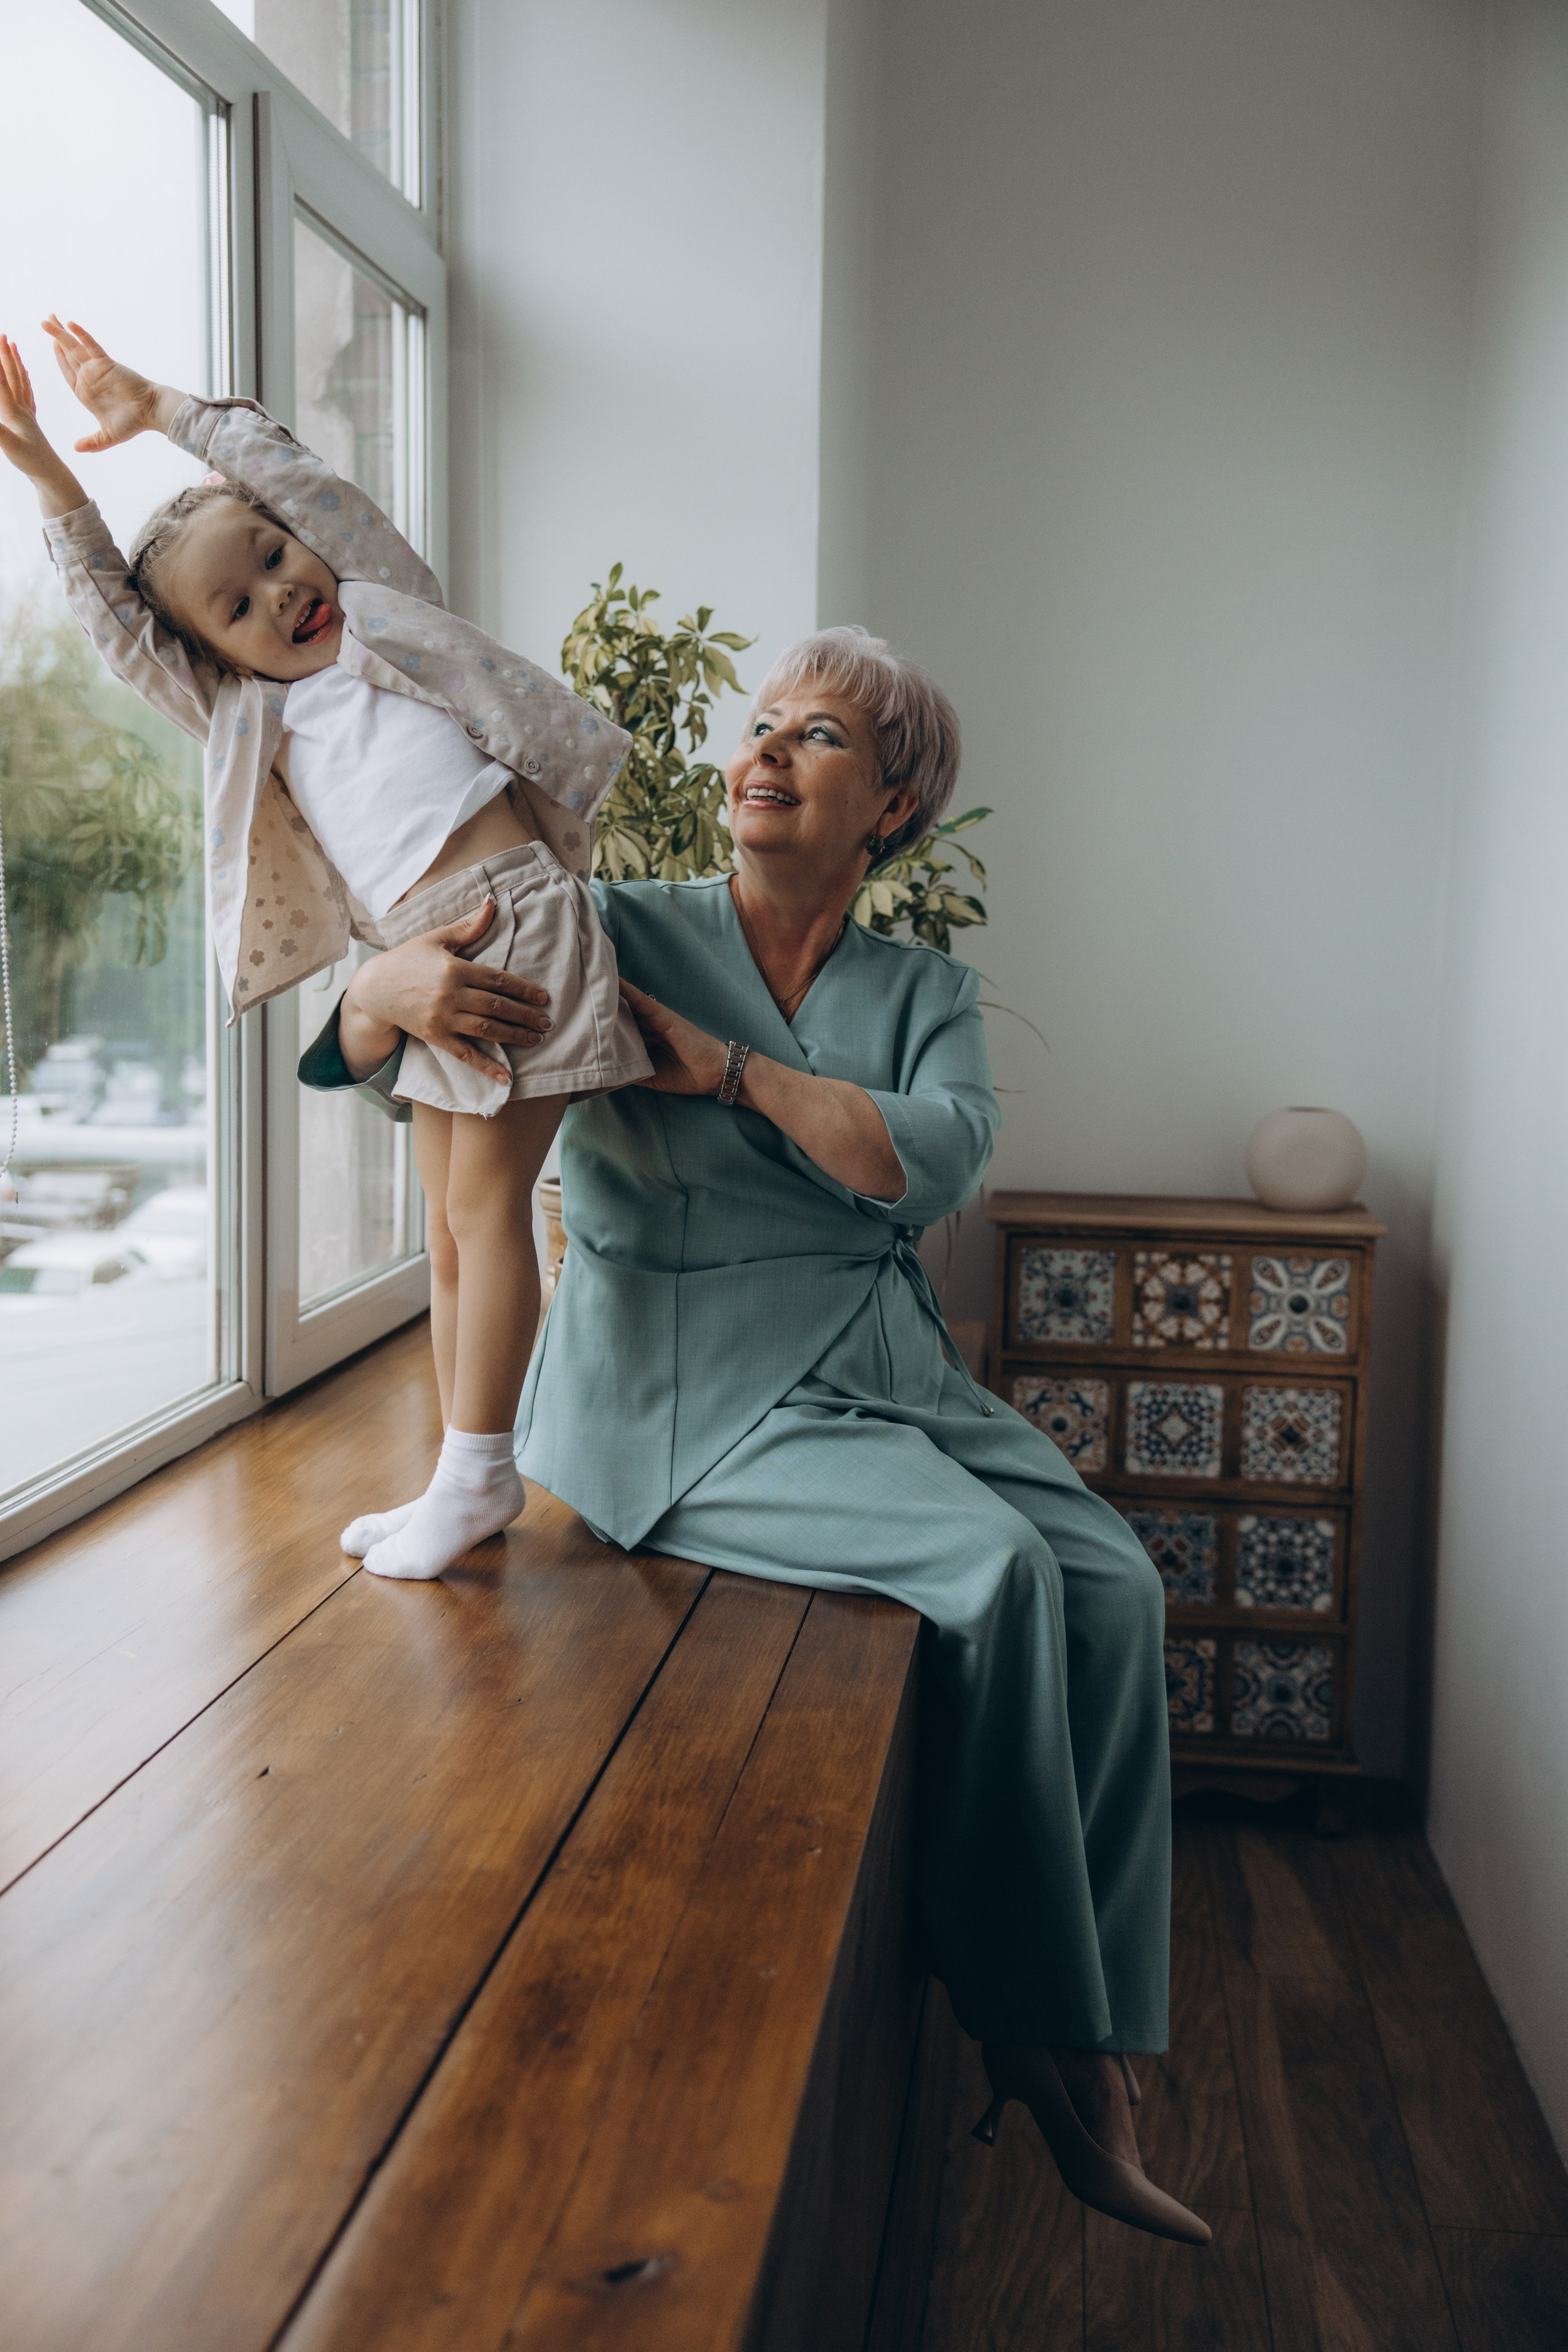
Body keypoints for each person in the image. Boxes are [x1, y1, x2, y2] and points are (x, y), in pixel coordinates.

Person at [301, 622, 1212, 2248]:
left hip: (883, 1364)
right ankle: (1037, 2029)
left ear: (894, 807)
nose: (766, 751)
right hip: (682, 1382)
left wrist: (730, 1072)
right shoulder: (609, 925)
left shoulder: (925, 990)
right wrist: (379, 987)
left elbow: (924, 1165)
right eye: (761, 724)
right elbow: (381, 1064)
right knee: (999, 1575)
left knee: (1116, 1590)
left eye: (821, 736)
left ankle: (1101, 2034)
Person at [0, 322, 649, 1582]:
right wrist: (46, 473)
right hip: (425, 956)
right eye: (237, 607)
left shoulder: (380, 616)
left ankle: (481, 1473)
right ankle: (460, 1475)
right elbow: (125, 632)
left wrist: (162, 409)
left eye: (273, 556)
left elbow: (301, 481)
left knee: (483, 1210)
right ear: (215, 654)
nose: (280, 595)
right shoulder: (248, 721)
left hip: (513, 917)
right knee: (448, 1226)